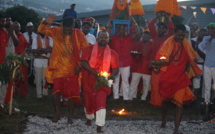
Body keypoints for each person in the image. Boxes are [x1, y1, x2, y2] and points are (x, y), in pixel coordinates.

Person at [37, 14, 89, 124]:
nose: (66, 31)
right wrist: (46, 21)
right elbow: (41, 29)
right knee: (56, 92)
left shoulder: (78, 34)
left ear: (73, 27)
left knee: (72, 94)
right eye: (65, 28)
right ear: (62, 26)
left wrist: (79, 65)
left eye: (69, 28)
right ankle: (57, 114)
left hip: (72, 69)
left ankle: (70, 116)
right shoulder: (56, 31)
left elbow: (86, 50)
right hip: (58, 68)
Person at [151, 24, 202, 134]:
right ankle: (164, 120)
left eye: (182, 35)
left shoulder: (186, 45)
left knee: (180, 103)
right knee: (165, 102)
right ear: (174, 33)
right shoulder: (166, 45)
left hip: (180, 78)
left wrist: (187, 71)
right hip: (167, 78)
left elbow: (190, 59)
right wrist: (161, 63)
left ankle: (176, 129)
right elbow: (158, 60)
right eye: (178, 35)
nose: (180, 37)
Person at [80, 31, 119, 133]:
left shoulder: (113, 53)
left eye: (105, 38)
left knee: (101, 102)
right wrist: (93, 72)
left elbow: (115, 68)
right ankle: (89, 117)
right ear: (97, 38)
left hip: (102, 82)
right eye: (101, 37)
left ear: (108, 40)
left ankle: (99, 125)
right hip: (89, 79)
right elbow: (83, 62)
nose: (103, 39)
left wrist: (111, 75)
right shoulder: (88, 49)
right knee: (88, 101)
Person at [109, 17, 139, 101]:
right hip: (116, 63)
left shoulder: (128, 38)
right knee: (116, 81)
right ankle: (116, 97)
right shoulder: (114, 38)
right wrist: (109, 27)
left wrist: (134, 21)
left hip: (126, 63)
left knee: (125, 81)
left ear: (125, 29)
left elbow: (137, 32)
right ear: (117, 29)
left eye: (123, 29)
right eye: (120, 29)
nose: (121, 30)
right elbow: (107, 37)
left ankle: (126, 98)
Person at [129, 31, 153, 100]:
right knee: (134, 82)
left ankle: (144, 97)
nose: (145, 38)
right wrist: (135, 55)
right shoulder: (138, 44)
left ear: (149, 37)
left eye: (147, 37)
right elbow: (133, 52)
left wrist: (150, 64)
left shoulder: (152, 44)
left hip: (147, 67)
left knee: (146, 84)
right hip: (138, 66)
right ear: (142, 37)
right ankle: (131, 96)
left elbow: (152, 55)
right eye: (144, 37)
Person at [31, 32, 53, 100]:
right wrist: (45, 51)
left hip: (46, 61)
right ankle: (39, 95)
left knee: (45, 79)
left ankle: (45, 94)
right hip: (38, 60)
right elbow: (34, 51)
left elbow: (51, 49)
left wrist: (40, 50)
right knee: (38, 79)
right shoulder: (35, 38)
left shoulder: (50, 39)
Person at [198, 22, 215, 104]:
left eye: (212, 28)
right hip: (207, 64)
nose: (211, 30)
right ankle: (206, 101)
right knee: (207, 85)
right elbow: (203, 46)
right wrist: (210, 39)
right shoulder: (206, 38)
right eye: (209, 29)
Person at [13, 21, 29, 98]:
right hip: (13, 60)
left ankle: (23, 94)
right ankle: (13, 94)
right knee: (14, 78)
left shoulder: (22, 35)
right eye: (15, 27)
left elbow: (27, 45)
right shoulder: (11, 36)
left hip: (22, 60)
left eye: (18, 27)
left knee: (24, 78)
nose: (17, 28)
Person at [23, 22, 37, 87]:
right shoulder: (23, 35)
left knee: (32, 68)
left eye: (32, 27)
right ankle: (25, 81)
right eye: (29, 28)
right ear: (27, 28)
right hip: (25, 54)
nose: (31, 29)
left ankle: (31, 82)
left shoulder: (35, 36)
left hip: (33, 54)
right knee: (26, 68)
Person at [0, 14, 8, 107]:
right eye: (2, 21)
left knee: (3, 84)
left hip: (3, 62)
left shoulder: (5, 32)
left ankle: (1, 103)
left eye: (4, 21)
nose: (4, 23)